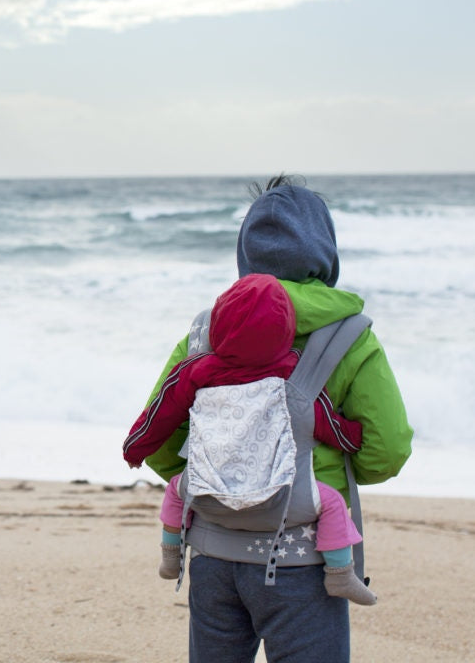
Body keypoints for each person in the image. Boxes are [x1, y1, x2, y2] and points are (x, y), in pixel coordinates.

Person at [132, 175, 413, 663]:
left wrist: (219, 485)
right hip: (305, 558)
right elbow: (386, 452)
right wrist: (335, 475)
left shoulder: (206, 330)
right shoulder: (351, 336)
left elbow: (159, 435)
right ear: (325, 251)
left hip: (213, 552)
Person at [122, 273, 376, 605]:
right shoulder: (291, 374)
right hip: (278, 492)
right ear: (285, 332)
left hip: (208, 487)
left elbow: (160, 414)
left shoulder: (196, 371)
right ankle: (341, 573)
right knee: (330, 504)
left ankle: (171, 554)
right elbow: (324, 421)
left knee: (175, 491)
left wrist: (135, 448)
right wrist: (354, 439)